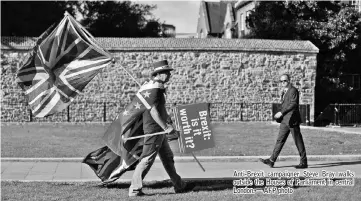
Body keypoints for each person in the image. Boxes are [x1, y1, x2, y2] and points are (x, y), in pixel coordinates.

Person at [129, 60, 195, 197]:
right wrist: (165, 127)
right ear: (158, 74)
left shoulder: (155, 87)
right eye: (166, 72)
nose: (169, 74)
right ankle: (134, 190)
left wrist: (168, 120)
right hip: (155, 130)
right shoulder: (155, 88)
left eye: (169, 72)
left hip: (159, 130)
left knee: (168, 158)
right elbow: (153, 111)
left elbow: (159, 108)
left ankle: (179, 185)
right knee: (147, 159)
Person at [259, 74, 308, 169]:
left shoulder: (293, 90)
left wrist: (281, 112)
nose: (283, 83)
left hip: (292, 120)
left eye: (285, 81)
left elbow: (293, 104)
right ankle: (271, 160)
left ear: (289, 81)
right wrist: (281, 115)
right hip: (285, 120)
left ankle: (304, 162)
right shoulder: (284, 91)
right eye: (281, 81)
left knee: (298, 141)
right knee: (280, 140)